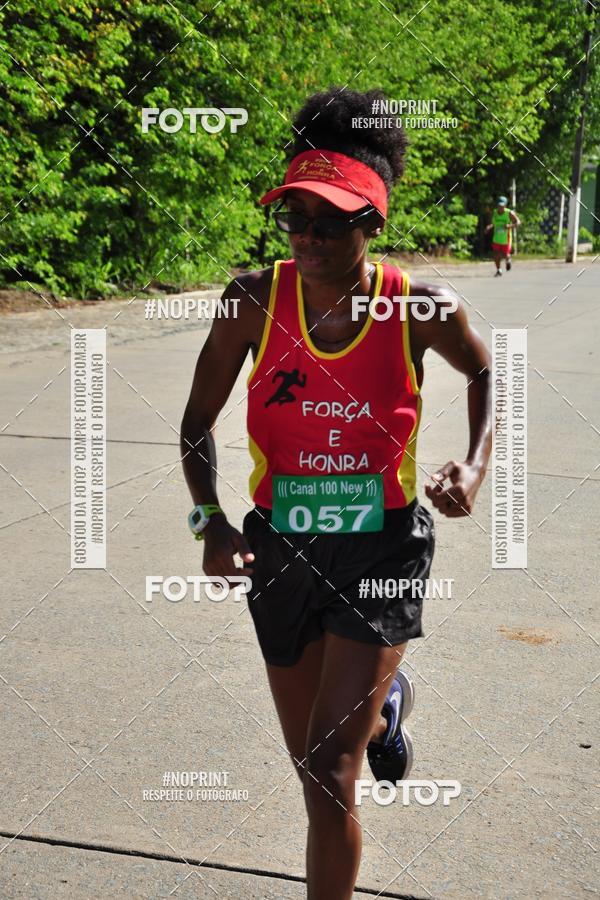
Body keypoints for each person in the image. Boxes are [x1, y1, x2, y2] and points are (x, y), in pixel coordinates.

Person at [180, 87, 492, 900]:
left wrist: (474, 465)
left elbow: (487, 371)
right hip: (280, 549)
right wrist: (210, 521)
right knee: (307, 762)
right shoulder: (251, 302)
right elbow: (193, 426)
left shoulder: (418, 306)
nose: (309, 237)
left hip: (382, 548)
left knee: (328, 771)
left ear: (371, 226)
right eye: (295, 217)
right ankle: (387, 708)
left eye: (330, 220)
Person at [486, 195, 521, 276]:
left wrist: (510, 226)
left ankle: (508, 261)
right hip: (496, 237)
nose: (500, 207)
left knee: (505, 255)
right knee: (496, 255)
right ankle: (499, 270)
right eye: (499, 206)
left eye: (502, 206)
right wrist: (489, 227)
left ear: (505, 205)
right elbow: (494, 223)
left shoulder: (509, 213)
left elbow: (518, 222)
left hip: (506, 238)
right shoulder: (495, 213)